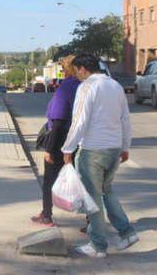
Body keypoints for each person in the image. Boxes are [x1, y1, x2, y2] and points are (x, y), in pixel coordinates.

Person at [61, 53, 138, 258]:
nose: (76, 75)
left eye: (76, 70)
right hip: (113, 149)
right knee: (107, 192)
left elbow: (80, 120)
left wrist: (68, 148)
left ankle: (98, 245)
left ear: (83, 69)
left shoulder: (87, 87)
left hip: (92, 150)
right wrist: (125, 146)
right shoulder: (115, 86)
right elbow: (125, 119)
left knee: (92, 198)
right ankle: (127, 233)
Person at [31, 55, 80, 227]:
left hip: (61, 138)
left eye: (63, 69)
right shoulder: (85, 86)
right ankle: (91, 221)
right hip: (81, 139)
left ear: (68, 70)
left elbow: (58, 120)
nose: (62, 72)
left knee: (49, 179)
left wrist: (50, 149)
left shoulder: (66, 88)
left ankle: (47, 215)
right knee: (85, 180)